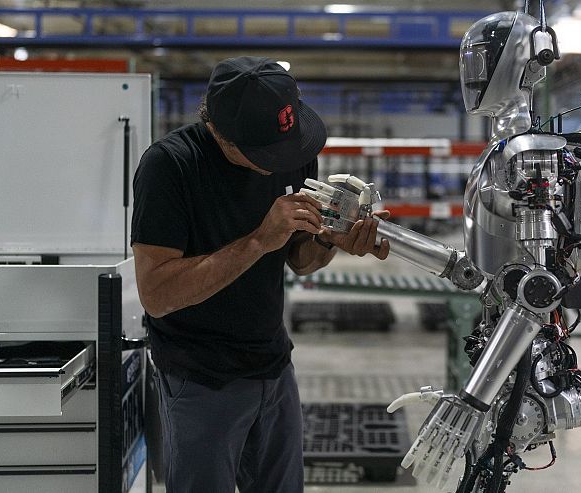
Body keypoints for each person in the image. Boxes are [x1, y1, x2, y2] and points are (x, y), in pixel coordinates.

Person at [130, 56, 389, 493]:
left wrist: (330, 241)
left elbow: (300, 260)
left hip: (272, 365)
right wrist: (257, 241)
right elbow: (156, 294)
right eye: (266, 154)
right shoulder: (170, 167)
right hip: (200, 376)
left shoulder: (291, 153)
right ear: (220, 133)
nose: (281, 163)